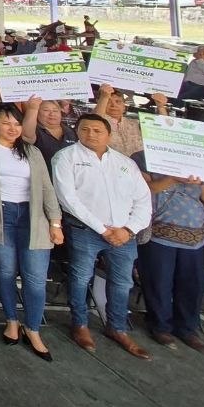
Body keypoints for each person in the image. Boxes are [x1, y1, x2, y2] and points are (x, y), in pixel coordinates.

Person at [53, 113, 153, 359]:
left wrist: (129, 229)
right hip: (85, 230)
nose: (91, 134)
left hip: (122, 234)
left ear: (109, 134)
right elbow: (68, 199)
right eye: (85, 129)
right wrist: (103, 229)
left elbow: (143, 199)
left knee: (122, 282)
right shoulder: (66, 157)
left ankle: (117, 327)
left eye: (97, 130)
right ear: (77, 132)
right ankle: (80, 324)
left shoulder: (124, 162)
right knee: (80, 278)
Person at [0, 103, 63, 361]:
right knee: (6, 271)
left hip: (33, 216)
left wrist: (55, 222)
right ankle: (11, 319)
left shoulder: (31, 151)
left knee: (35, 278)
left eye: (17, 124)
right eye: (6, 123)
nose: (12, 128)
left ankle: (33, 328)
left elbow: (47, 187)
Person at [136, 160, 204, 354]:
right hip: (159, 234)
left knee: (192, 285)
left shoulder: (198, 162)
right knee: (159, 283)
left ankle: (187, 329)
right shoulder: (144, 158)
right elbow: (146, 188)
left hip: (193, 236)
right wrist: (173, 178)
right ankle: (160, 327)